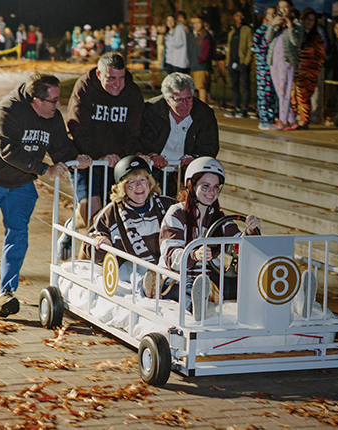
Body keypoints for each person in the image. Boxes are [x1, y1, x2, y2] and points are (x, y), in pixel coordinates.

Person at [0, 74, 92, 317]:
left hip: (20, 184)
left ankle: (6, 293)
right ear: (35, 100)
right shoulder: (8, 110)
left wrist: (78, 159)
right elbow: (8, 151)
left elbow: (61, 147)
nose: (57, 106)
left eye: (58, 100)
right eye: (53, 101)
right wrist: (45, 169)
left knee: (18, 232)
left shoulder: (52, 118)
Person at [58, 53, 145, 259]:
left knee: (106, 215)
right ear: (99, 74)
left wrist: (133, 154)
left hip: (115, 163)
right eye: (111, 78)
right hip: (88, 160)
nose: (117, 84)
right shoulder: (85, 88)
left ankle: (71, 226)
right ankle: (85, 263)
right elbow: (77, 128)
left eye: (121, 78)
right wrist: (99, 155)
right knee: (92, 211)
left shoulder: (132, 93)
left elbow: (134, 130)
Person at [155, 157, 261, 321]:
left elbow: (237, 245)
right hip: (179, 277)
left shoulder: (219, 217)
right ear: (191, 186)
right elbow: (170, 254)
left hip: (211, 277)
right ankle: (198, 307)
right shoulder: (176, 213)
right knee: (185, 290)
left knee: (248, 287)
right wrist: (194, 255)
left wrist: (250, 231)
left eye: (216, 187)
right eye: (205, 187)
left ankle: (292, 301)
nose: (212, 193)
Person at [84, 156, 175, 293]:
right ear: (122, 188)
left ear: (149, 183)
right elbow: (91, 241)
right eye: (132, 182)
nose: (139, 186)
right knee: (132, 269)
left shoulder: (166, 205)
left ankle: (189, 292)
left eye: (143, 180)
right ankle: (146, 288)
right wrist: (101, 242)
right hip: (128, 266)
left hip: (161, 264)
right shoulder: (111, 212)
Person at [140, 72, 219, 179]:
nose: (185, 105)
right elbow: (142, 139)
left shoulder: (204, 114)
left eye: (188, 98)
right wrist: (152, 155)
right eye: (179, 100)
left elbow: (210, 145)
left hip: (187, 173)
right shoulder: (150, 111)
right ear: (168, 100)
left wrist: (195, 158)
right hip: (153, 172)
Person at [266, 0, 304, 130]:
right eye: (280, 7)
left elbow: (297, 42)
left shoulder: (297, 23)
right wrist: (272, 25)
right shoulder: (277, 23)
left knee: (285, 91)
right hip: (273, 60)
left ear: (291, 8)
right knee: (279, 91)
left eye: (285, 7)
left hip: (287, 60)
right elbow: (268, 38)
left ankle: (283, 119)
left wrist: (290, 26)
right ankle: (291, 119)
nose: (283, 10)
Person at [292, 8, 326, 129]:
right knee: (294, 96)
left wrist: (315, 70)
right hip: (295, 71)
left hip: (309, 72)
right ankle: (297, 118)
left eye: (312, 20)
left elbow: (321, 56)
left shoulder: (317, 38)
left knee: (303, 96)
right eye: (307, 19)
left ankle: (304, 120)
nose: (309, 22)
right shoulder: (297, 34)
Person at [251, 7, 278, 130]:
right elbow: (254, 47)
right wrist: (265, 49)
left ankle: (271, 118)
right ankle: (263, 119)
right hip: (263, 66)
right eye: (269, 14)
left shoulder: (278, 31)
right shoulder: (261, 30)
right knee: (264, 93)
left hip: (275, 66)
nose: (272, 16)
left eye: (274, 14)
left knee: (273, 93)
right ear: (266, 16)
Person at [225, 11, 253, 119]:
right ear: (234, 17)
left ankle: (244, 108)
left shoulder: (247, 30)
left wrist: (246, 62)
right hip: (232, 62)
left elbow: (250, 46)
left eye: (242, 16)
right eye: (237, 16)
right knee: (234, 86)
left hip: (242, 62)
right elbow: (229, 47)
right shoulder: (232, 32)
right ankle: (236, 107)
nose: (240, 18)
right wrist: (228, 62)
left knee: (245, 85)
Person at [189, 16, 213, 104]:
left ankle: (203, 108)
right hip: (195, 66)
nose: (195, 25)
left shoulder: (205, 36)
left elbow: (206, 52)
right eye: (194, 23)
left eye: (198, 23)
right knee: (197, 88)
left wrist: (200, 60)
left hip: (201, 66)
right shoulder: (197, 36)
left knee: (201, 88)